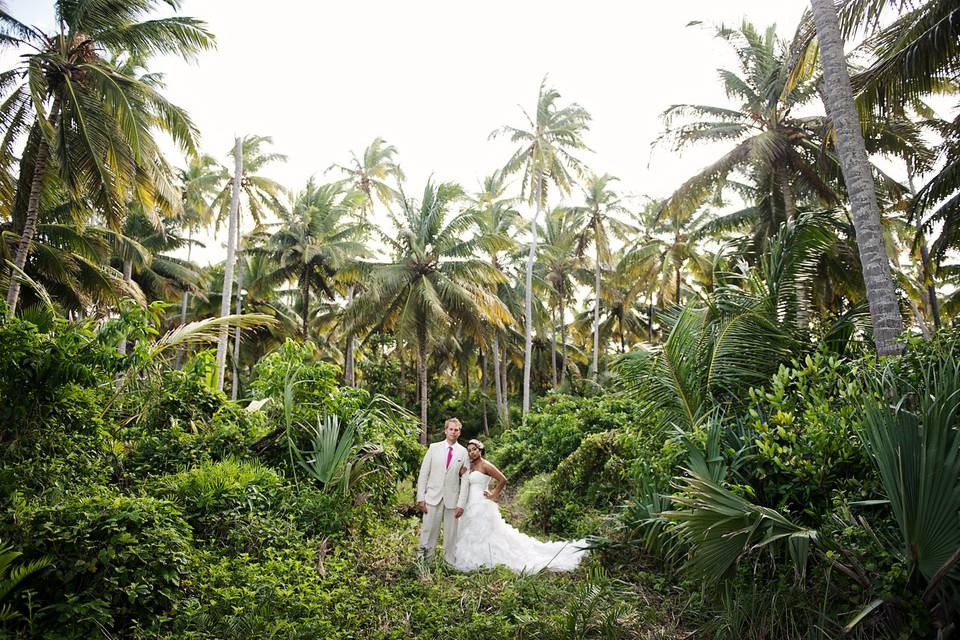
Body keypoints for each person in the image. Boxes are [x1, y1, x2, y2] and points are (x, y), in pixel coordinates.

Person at [453, 439, 588, 573]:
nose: (472, 452)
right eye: (469, 450)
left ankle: (488, 558)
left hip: (481, 504)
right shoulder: (469, 466)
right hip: (469, 504)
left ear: (480, 449)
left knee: (485, 533)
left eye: (474, 449)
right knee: (470, 532)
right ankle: (473, 558)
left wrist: (493, 495)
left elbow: (503, 479)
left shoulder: (485, 465)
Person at [415, 417, 469, 564]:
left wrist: (461, 504)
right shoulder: (433, 448)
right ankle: (424, 561)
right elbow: (423, 473)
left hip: (453, 500)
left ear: (459, 432)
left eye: (456, 430)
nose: (453, 432)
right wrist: (421, 497)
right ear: (445, 431)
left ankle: (449, 563)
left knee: (451, 534)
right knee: (428, 530)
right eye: (451, 429)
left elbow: (465, 481)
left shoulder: (463, 452)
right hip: (432, 497)